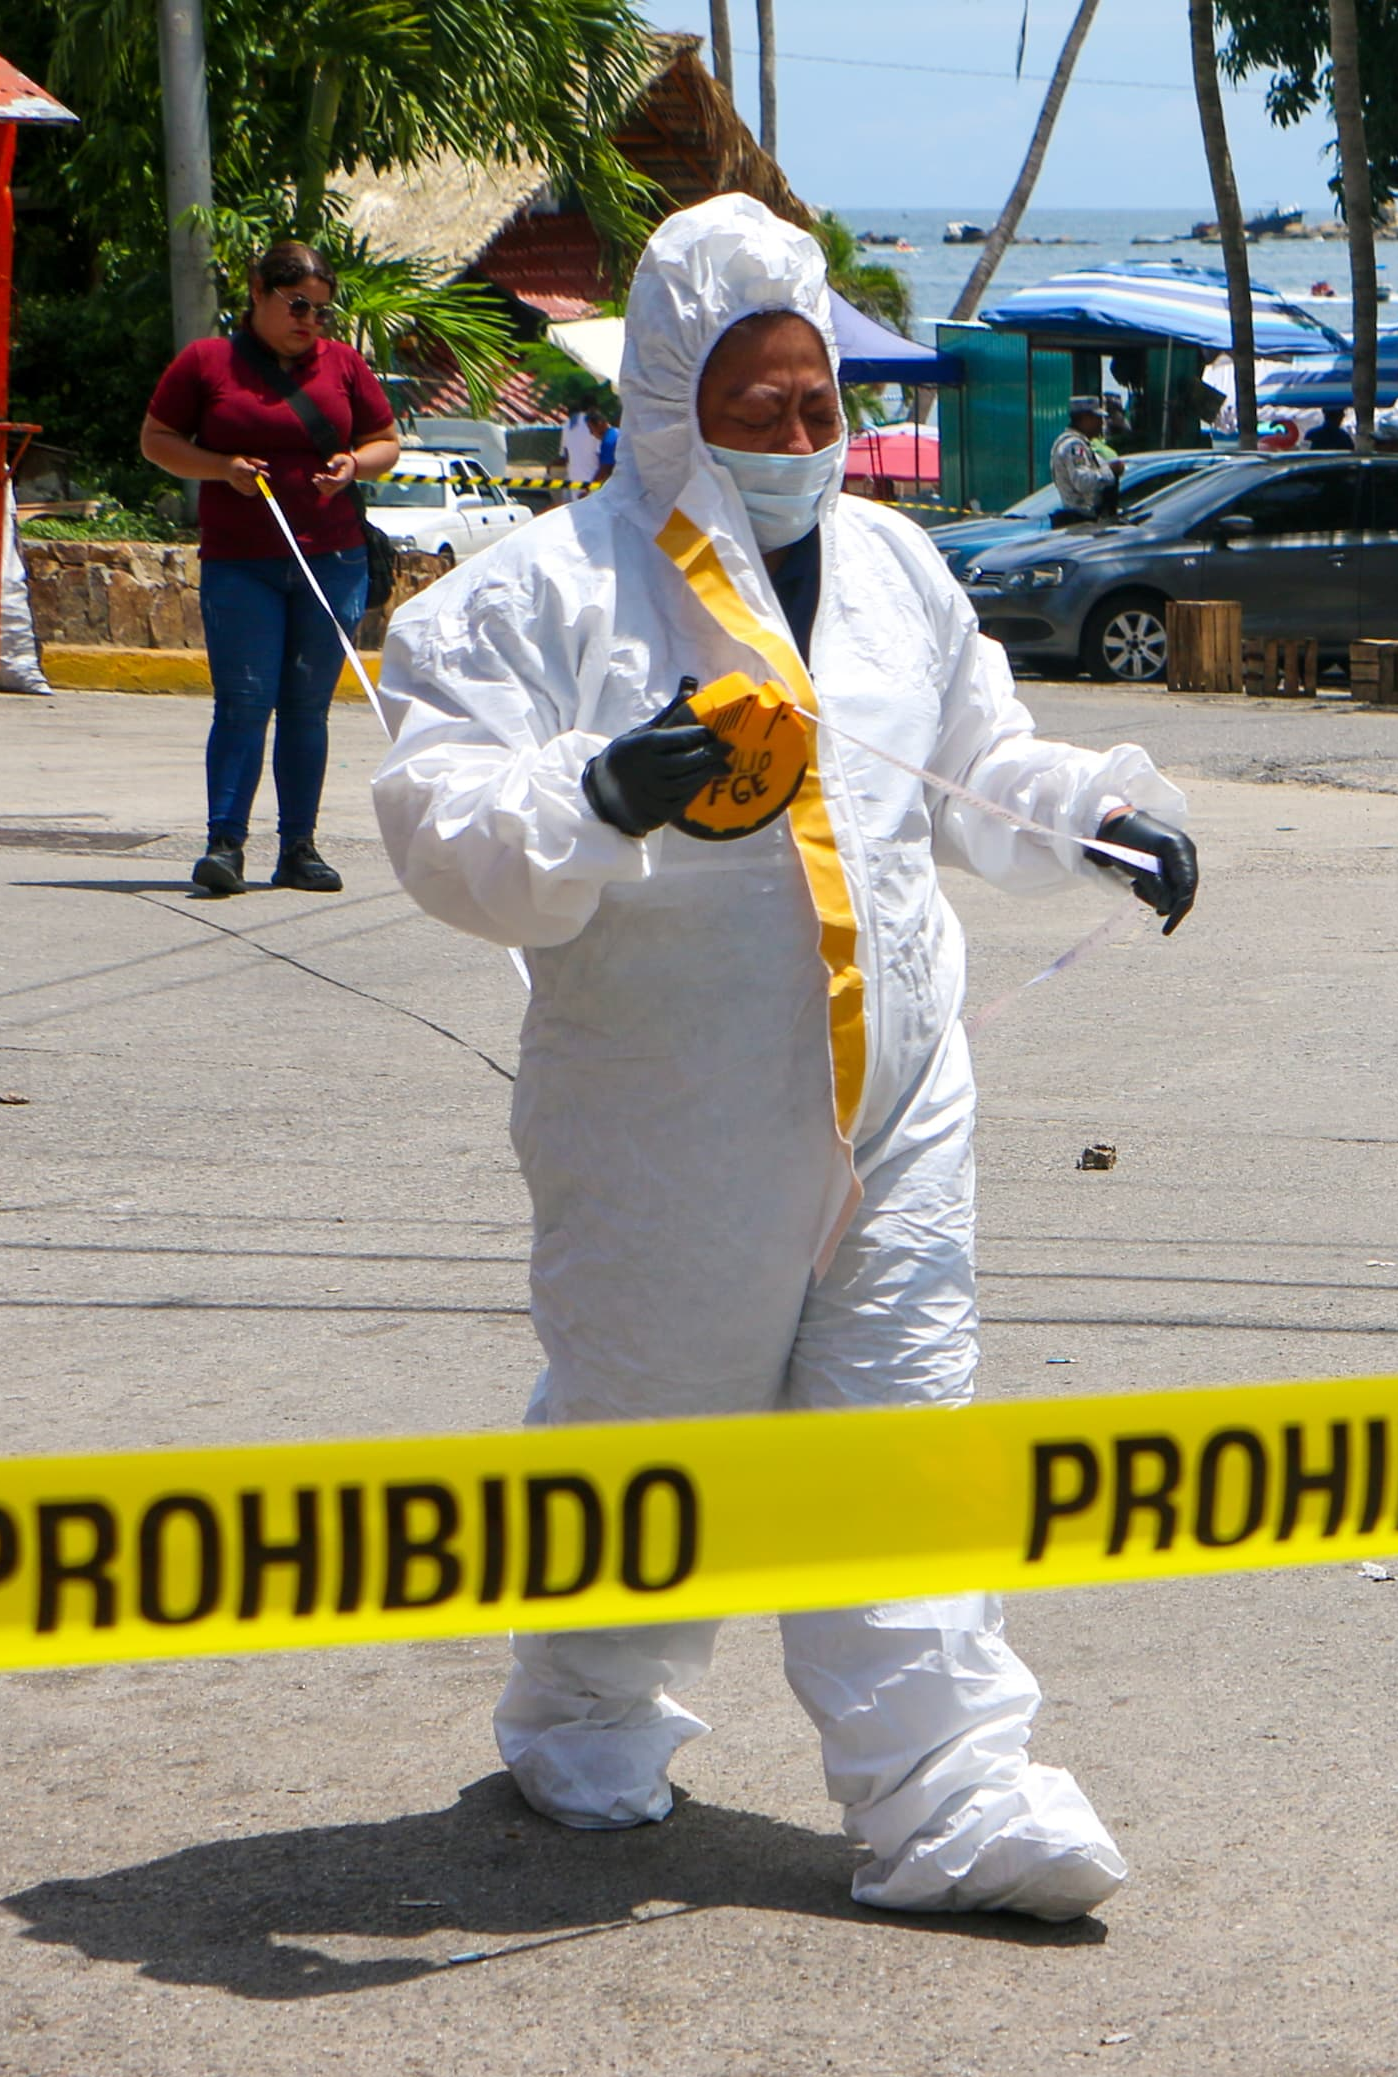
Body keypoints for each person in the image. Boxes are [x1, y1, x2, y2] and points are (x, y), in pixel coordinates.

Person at [366, 195, 1200, 1924]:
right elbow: (444, 825)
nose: (805, 438)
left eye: (821, 405)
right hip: (668, 1124)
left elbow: (983, 761)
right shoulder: (540, 599)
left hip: (898, 1109)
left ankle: (949, 1792)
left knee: (895, 1435)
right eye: (765, 408)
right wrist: (598, 792)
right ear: (676, 407)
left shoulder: (897, 572)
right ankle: (585, 1708)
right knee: (645, 1434)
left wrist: (1106, 819)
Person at [140, 240, 400, 898]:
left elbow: (385, 442)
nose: (310, 321)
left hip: (331, 560)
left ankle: (299, 847)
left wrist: (354, 465)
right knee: (243, 704)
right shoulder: (207, 362)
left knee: (308, 709)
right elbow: (158, 441)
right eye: (297, 305)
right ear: (257, 293)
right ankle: (224, 844)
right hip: (241, 564)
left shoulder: (343, 366)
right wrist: (222, 468)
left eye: (321, 311)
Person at [1047, 395, 1118, 521]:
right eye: (1097, 418)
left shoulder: (1081, 444)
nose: (1101, 423)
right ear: (1085, 419)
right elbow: (1082, 482)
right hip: (1080, 520)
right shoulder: (1074, 446)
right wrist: (1110, 471)